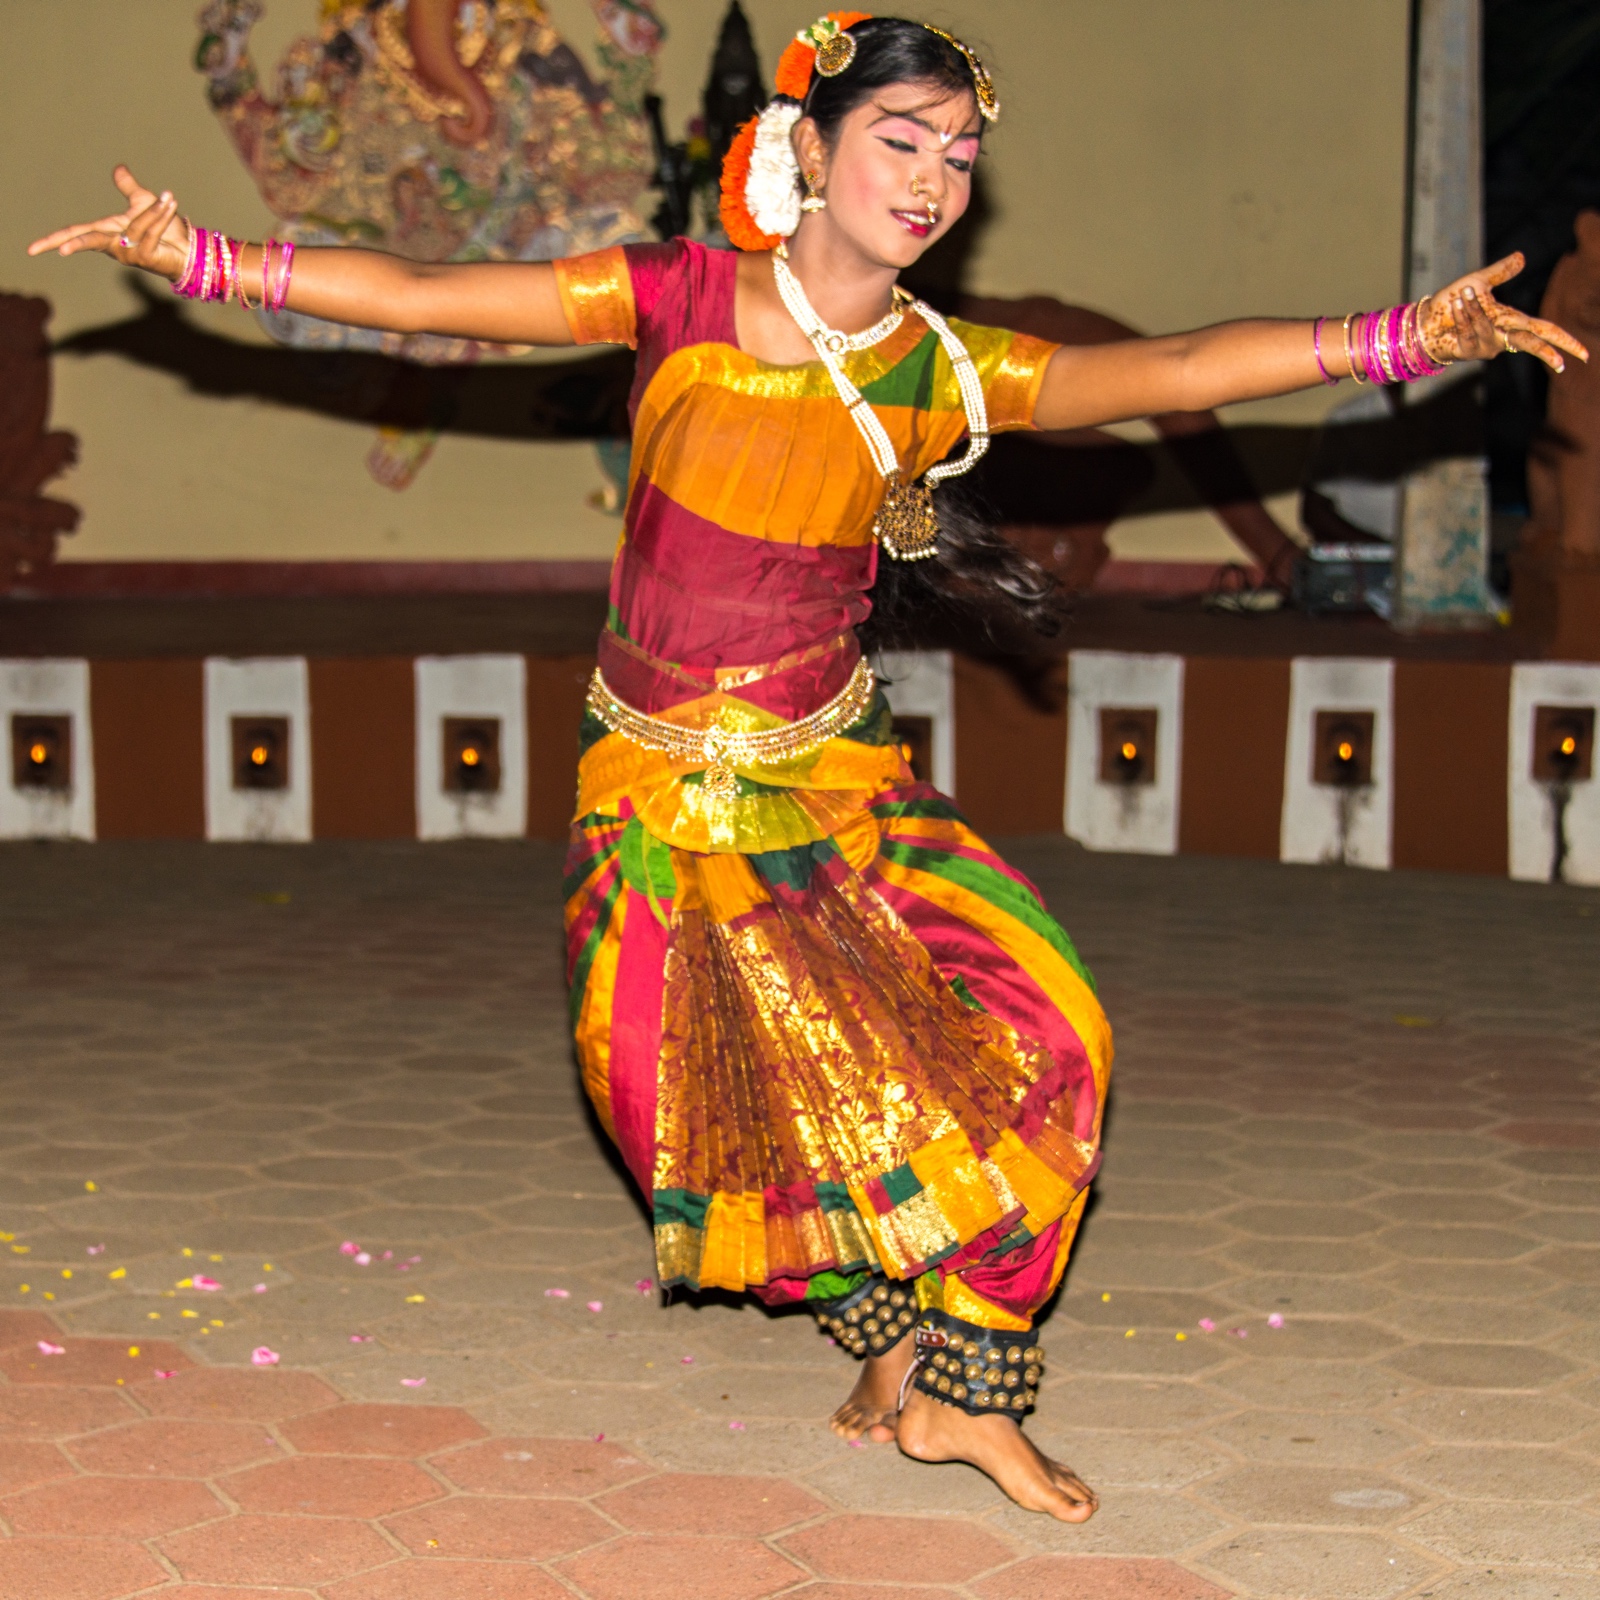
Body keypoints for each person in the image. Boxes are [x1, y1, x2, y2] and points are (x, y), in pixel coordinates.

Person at [31, 11, 1584, 1523]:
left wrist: (1401, 339)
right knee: (693, 1111)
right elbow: (428, 292)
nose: (931, 180)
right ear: (808, 146)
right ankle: (883, 1339)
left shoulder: (943, 370)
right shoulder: (676, 296)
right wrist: (205, 262)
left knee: (1055, 1031)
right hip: (650, 794)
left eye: (960, 156)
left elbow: (1176, 369)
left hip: (837, 783)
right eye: (899, 141)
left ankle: (964, 1388)